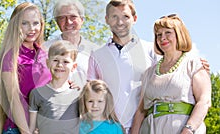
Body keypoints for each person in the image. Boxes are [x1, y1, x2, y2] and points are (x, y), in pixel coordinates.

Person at [87, 0, 210, 133]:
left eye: (125, 16)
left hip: (159, 126)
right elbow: (91, 94)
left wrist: (199, 66)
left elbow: (179, 70)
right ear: (106, 19)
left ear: (135, 18)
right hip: (112, 128)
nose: (120, 22)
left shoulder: (151, 50)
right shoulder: (97, 55)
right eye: (114, 17)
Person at [131, 14, 211, 134]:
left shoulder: (194, 64)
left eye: (168, 32)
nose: (162, 38)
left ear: (179, 35)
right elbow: (141, 111)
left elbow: (204, 101)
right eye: (159, 35)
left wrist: (188, 129)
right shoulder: (149, 73)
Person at [0, 2, 51, 134]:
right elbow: (14, 98)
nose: (31, 28)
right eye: (24, 23)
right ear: (16, 26)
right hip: (18, 129)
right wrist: (26, 131)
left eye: (36, 23)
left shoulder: (46, 55)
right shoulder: (11, 56)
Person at [44, 0, 100, 87]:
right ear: (56, 21)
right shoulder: (45, 49)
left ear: (82, 20)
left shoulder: (96, 51)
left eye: (73, 17)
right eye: (62, 17)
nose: (68, 22)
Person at [29, 40, 81, 134]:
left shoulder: (79, 95)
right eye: (55, 60)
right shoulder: (37, 93)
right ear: (48, 63)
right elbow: (32, 129)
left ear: (74, 66)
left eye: (65, 61)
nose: (60, 65)